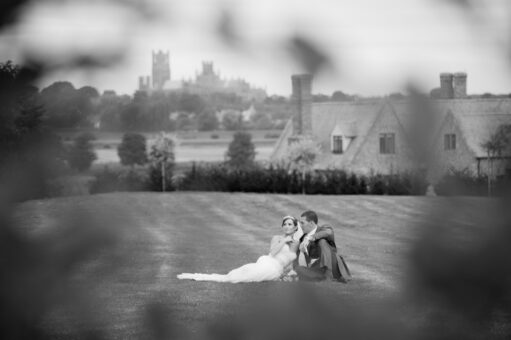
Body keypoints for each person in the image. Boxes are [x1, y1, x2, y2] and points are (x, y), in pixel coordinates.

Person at [177, 216, 301, 283]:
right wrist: (284, 241)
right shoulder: (277, 238)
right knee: (241, 274)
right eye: (284, 224)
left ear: (295, 227)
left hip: (277, 270)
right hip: (267, 262)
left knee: (252, 277)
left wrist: (287, 274)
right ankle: (223, 277)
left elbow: (292, 262)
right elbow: (273, 252)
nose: (286, 226)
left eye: (290, 224)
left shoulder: (296, 244)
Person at [294, 210, 351, 282]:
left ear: (311, 223)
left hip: (333, 267)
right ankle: (319, 278)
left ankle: (329, 275)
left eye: (302, 223)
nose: (300, 226)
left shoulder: (324, 228)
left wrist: (310, 238)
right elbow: (299, 258)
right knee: (298, 269)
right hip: (317, 268)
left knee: (322, 241)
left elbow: (328, 232)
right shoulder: (302, 238)